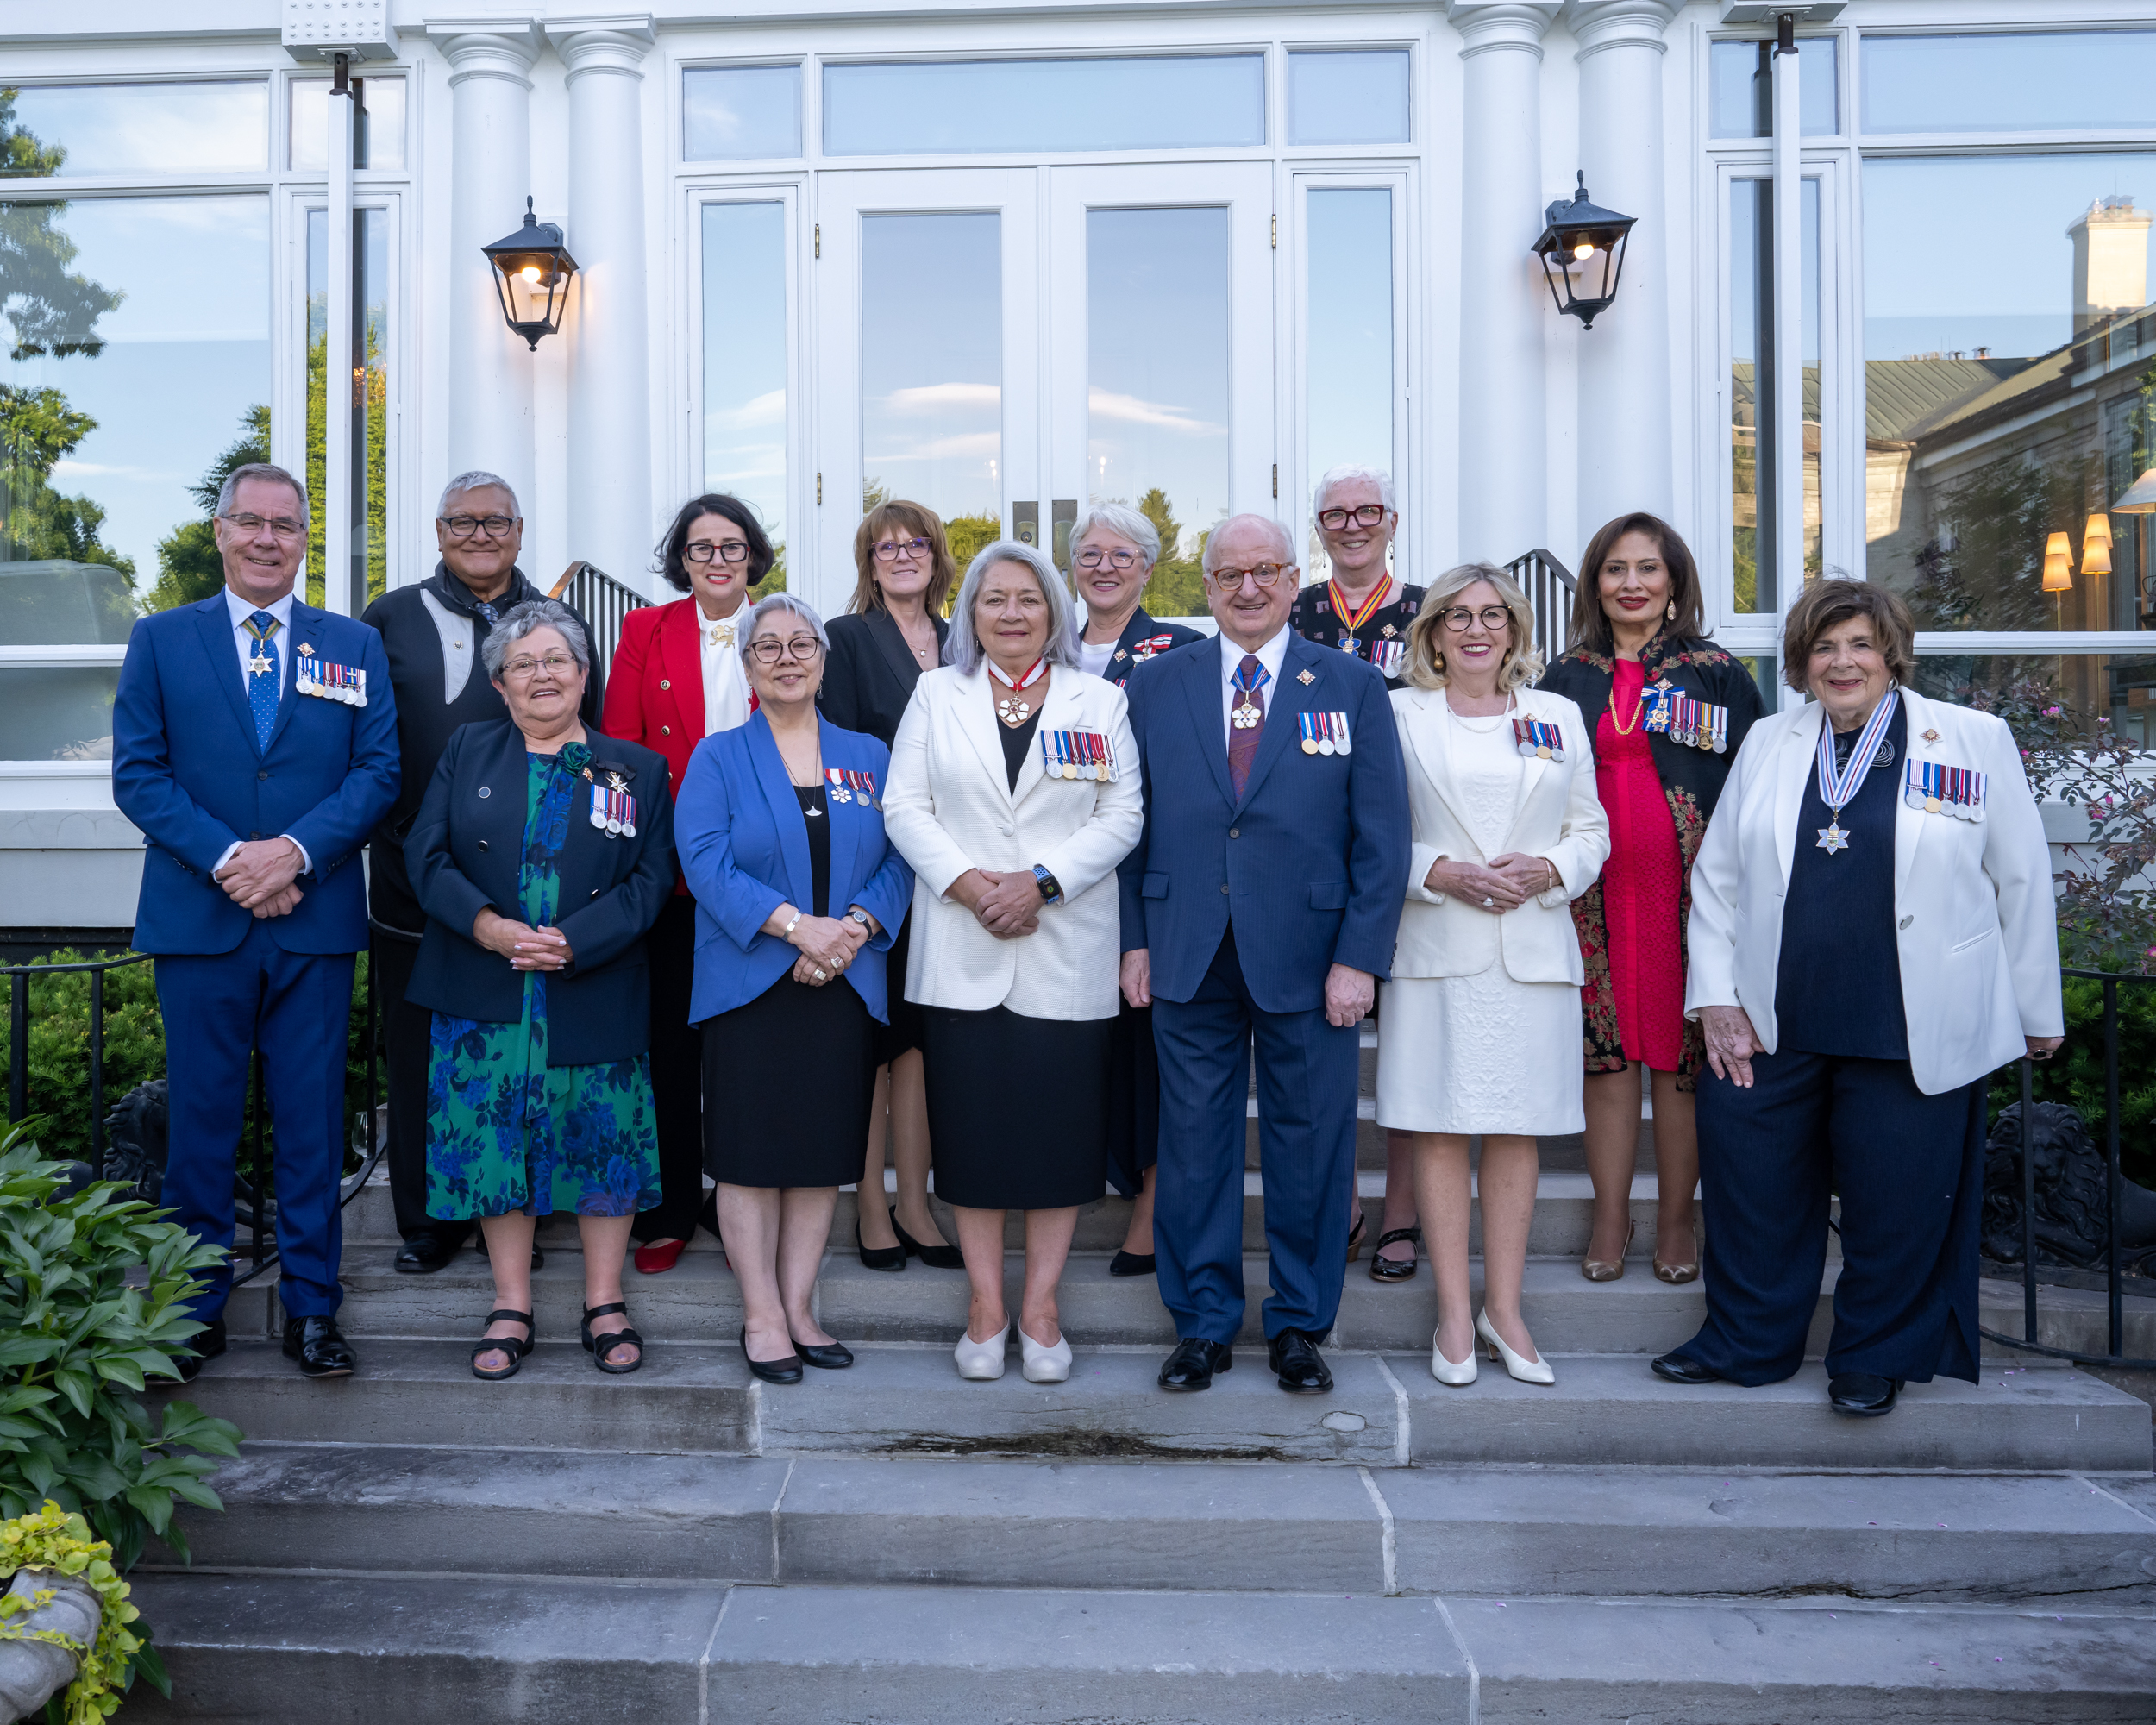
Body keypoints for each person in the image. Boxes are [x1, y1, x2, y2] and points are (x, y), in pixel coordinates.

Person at [1661, 580, 2063, 1417]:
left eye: (1858, 644)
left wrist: (2034, 1012)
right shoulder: (1772, 741)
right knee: (1752, 1182)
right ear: (1802, 663)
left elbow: (2020, 880)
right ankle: (1746, 1342)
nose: (1842, 661)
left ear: (1890, 653)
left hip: (1911, 1019)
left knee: (1899, 1197)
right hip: (1775, 1016)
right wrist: (1714, 1000)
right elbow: (1719, 880)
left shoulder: (1970, 739)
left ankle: (1873, 1355)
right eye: (1823, 647)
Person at [113, 462, 399, 1382]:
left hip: (312, 920)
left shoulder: (351, 645)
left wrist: (295, 855)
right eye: (251, 522)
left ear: (305, 539)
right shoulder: (161, 640)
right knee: (199, 1122)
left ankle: (312, 1308)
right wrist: (237, 859)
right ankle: (193, 1311)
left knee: (312, 1122)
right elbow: (139, 773)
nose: (269, 539)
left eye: (286, 525)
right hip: (202, 921)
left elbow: (377, 772)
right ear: (221, 531)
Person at [1119, 514, 1409, 1395]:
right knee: (1195, 1143)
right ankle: (1202, 1322)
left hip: (1312, 954)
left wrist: (1359, 955)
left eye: (1266, 572)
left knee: (1310, 1144)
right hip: (1185, 947)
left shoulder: (1353, 685)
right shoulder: (1155, 684)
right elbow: (1127, 824)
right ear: (1203, 587)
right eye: (1229, 573)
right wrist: (1134, 937)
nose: (1248, 588)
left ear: (1295, 581)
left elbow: (1382, 836)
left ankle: (1298, 1321)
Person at [886, 541, 1144, 1382]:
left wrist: (1041, 883)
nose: (1009, 613)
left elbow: (1123, 813)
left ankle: (1040, 1306)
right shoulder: (935, 693)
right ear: (971, 613)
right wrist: (970, 885)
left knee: (1060, 1141)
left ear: (1053, 611)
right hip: (962, 946)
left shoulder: (1098, 700)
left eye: (1027, 599)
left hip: (1061, 947)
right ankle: (984, 1304)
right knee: (973, 1140)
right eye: (993, 598)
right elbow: (903, 804)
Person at [405, 600, 673, 1379]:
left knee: (603, 1140)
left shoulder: (635, 768)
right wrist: (489, 927)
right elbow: (424, 857)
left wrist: (575, 943)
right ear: (500, 684)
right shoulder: (467, 751)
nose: (542, 674)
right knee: (495, 1145)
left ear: (584, 674)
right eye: (523, 664)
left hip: (594, 985)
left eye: (557, 659)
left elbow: (654, 878)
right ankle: (511, 1301)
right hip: (483, 985)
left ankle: (603, 1300)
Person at [361, 470, 600, 1276]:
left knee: (528, 1045)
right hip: (414, 873)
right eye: (462, 523)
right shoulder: (390, 616)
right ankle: (432, 1218)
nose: (479, 536)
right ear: (437, 532)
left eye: (495, 522)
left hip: (539, 882)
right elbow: (364, 739)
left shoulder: (559, 619)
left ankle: (526, 1209)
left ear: (520, 531)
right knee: (422, 1045)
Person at [1380, 566, 1608, 1386]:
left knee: (1516, 1128)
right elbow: (1365, 831)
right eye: (1457, 617)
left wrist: (1550, 867)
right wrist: (1437, 871)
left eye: (1492, 616)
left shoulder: (1556, 715)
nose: (1476, 630)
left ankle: (1503, 1309)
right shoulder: (1398, 714)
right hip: (1437, 946)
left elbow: (1592, 828)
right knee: (1439, 1125)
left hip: (1532, 949)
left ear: (1513, 630)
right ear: (1434, 633)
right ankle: (1451, 1312)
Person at [676, 594, 915, 1383]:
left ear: (823, 658)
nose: (786, 657)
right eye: (767, 646)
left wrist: (848, 930)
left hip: (844, 977)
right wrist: (796, 928)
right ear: (746, 666)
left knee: (819, 1157)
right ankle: (762, 1314)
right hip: (751, 981)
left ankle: (802, 1305)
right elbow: (706, 863)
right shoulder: (717, 757)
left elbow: (900, 856)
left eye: (801, 644)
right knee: (748, 1158)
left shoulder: (869, 755)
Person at [1537, 513, 1764, 1283]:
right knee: (1606, 1065)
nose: (1630, 584)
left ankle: (1675, 1221)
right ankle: (1610, 1217)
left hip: (1686, 900)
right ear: (1594, 584)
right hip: (1592, 901)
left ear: (1674, 582)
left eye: (1647, 569)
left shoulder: (1717, 672)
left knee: (1679, 1065)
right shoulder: (1563, 676)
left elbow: (1755, 791)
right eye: (1614, 569)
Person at [601, 493, 775, 1274]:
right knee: (670, 1047)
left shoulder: (785, 628)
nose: (716, 560)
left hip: (765, 877)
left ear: (752, 557)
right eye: (701, 547)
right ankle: (673, 1205)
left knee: (744, 1050)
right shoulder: (645, 631)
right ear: (682, 558)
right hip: (671, 875)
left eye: (731, 547)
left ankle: (743, 1201)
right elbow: (621, 753)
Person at [1288, 466, 1426, 1282]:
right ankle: (1339, 1201)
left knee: (1403, 1045)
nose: (1351, 525)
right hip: (1307, 850)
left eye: (1365, 511)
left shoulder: (1428, 610)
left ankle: (1401, 1214)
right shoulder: (1295, 609)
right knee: (1323, 1041)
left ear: (1391, 520)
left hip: (1404, 842)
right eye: (1334, 514)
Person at [818, 501, 962, 1274]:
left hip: (955, 863)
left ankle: (917, 1200)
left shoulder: (962, 638)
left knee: (921, 1042)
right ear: (868, 562)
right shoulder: (845, 640)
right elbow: (837, 756)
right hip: (880, 861)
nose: (902, 555)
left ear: (937, 557)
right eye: (886, 546)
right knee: (875, 1042)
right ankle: (872, 1201)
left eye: (916, 544)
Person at [1067, 501, 1203, 1277]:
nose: (1106, 566)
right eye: (1091, 554)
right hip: (1061, 873)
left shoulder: (1180, 647)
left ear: (1149, 568)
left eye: (1123, 555)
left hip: (1146, 868)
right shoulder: (1049, 647)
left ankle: (1152, 1207)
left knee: (1149, 1046)